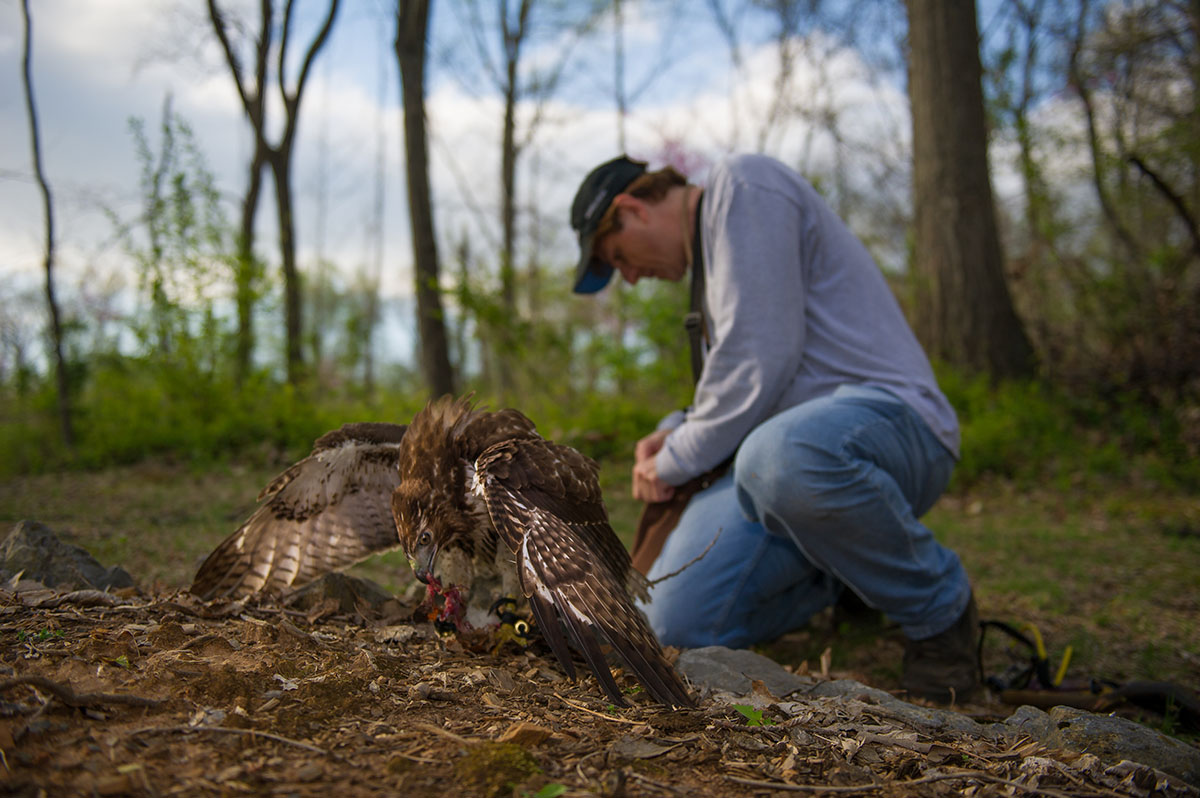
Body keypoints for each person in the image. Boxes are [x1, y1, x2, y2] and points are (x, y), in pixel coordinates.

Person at [568, 153, 979, 702]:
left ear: (632, 209)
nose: (633, 277)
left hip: (892, 426)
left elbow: (758, 360)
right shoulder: (711, 265)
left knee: (780, 459)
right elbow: (746, 386)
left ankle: (940, 611)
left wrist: (673, 461)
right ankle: (853, 570)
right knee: (671, 623)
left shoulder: (744, 186)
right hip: (783, 458)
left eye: (619, 258)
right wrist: (680, 427)